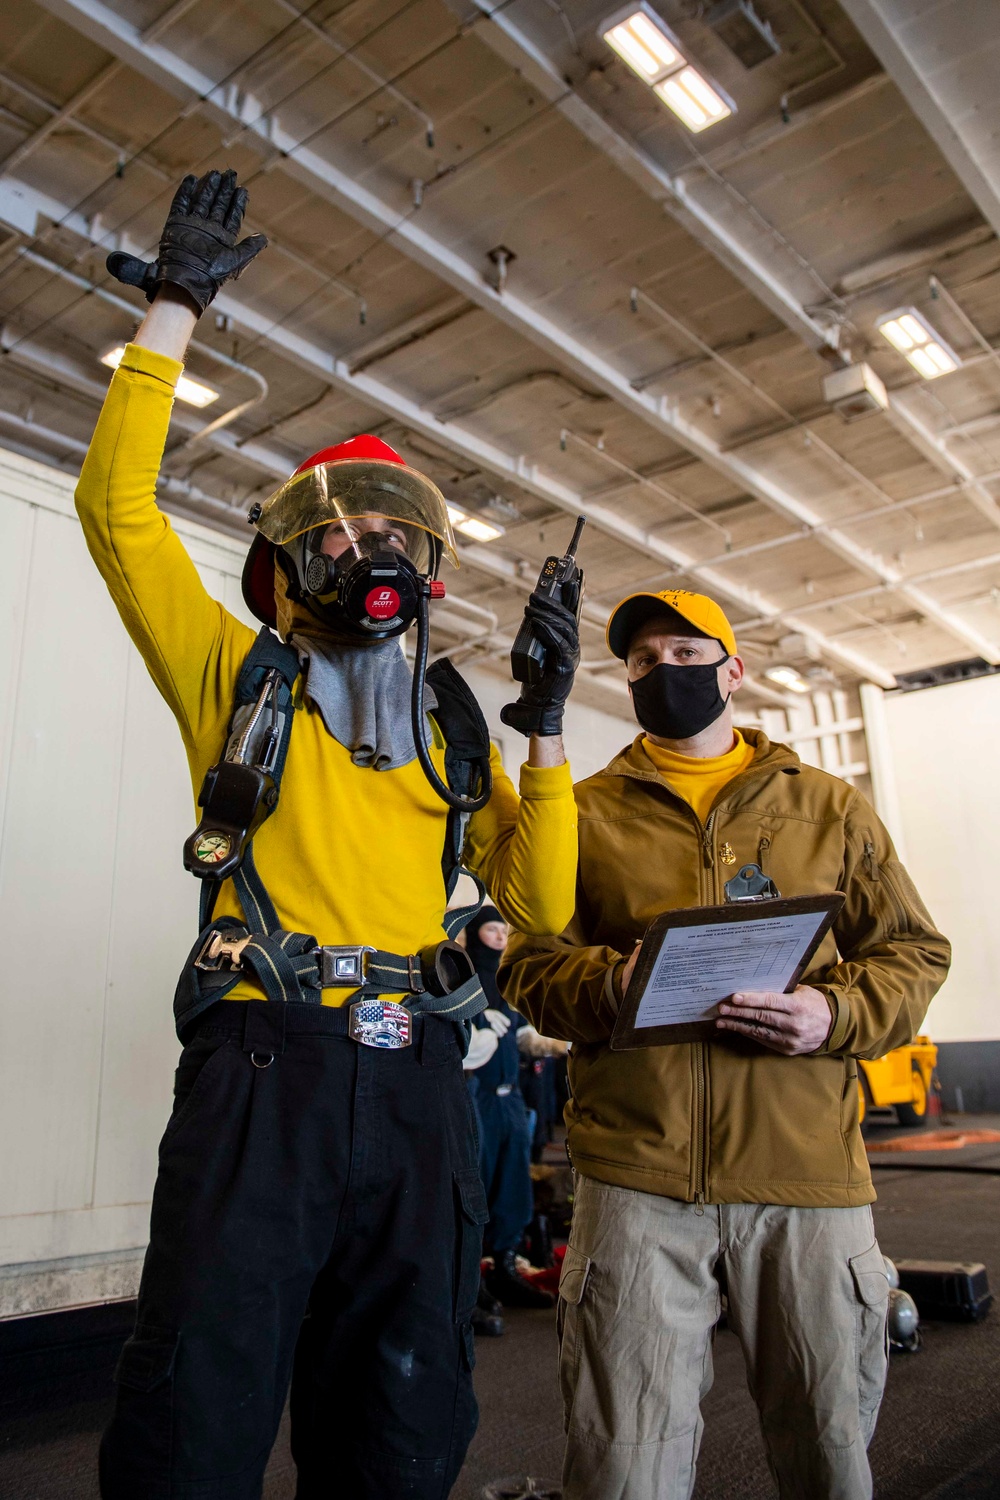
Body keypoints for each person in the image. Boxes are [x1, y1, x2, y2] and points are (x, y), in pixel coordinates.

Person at [77, 169, 580, 1500]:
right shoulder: (232, 681)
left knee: (406, 1416)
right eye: (338, 528)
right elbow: (117, 514)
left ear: (432, 563)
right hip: (263, 1068)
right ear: (289, 565)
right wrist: (176, 308)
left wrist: (544, 727)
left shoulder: (462, 733)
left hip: (420, 1081)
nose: (370, 544)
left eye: (391, 525)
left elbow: (549, 900)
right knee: (199, 1399)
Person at [500, 587, 951, 1500]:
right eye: (641, 661)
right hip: (637, 1174)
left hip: (805, 1176)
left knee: (828, 1448)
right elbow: (527, 965)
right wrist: (609, 985)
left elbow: (913, 952)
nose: (663, 672)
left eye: (684, 653)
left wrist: (834, 1014)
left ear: (733, 670)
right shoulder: (583, 812)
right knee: (623, 1461)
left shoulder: (828, 807)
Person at [465, 907, 563, 1311]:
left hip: (512, 1100)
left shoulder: (505, 981)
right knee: (476, 1188)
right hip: (477, 1097)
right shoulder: (462, 979)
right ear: (474, 935)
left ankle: (505, 1268)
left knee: (513, 1187)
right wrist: (477, 1028)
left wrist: (562, 1041)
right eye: (493, 930)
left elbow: (526, 1036)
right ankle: (469, 1284)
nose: (502, 939)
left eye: (505, 931)